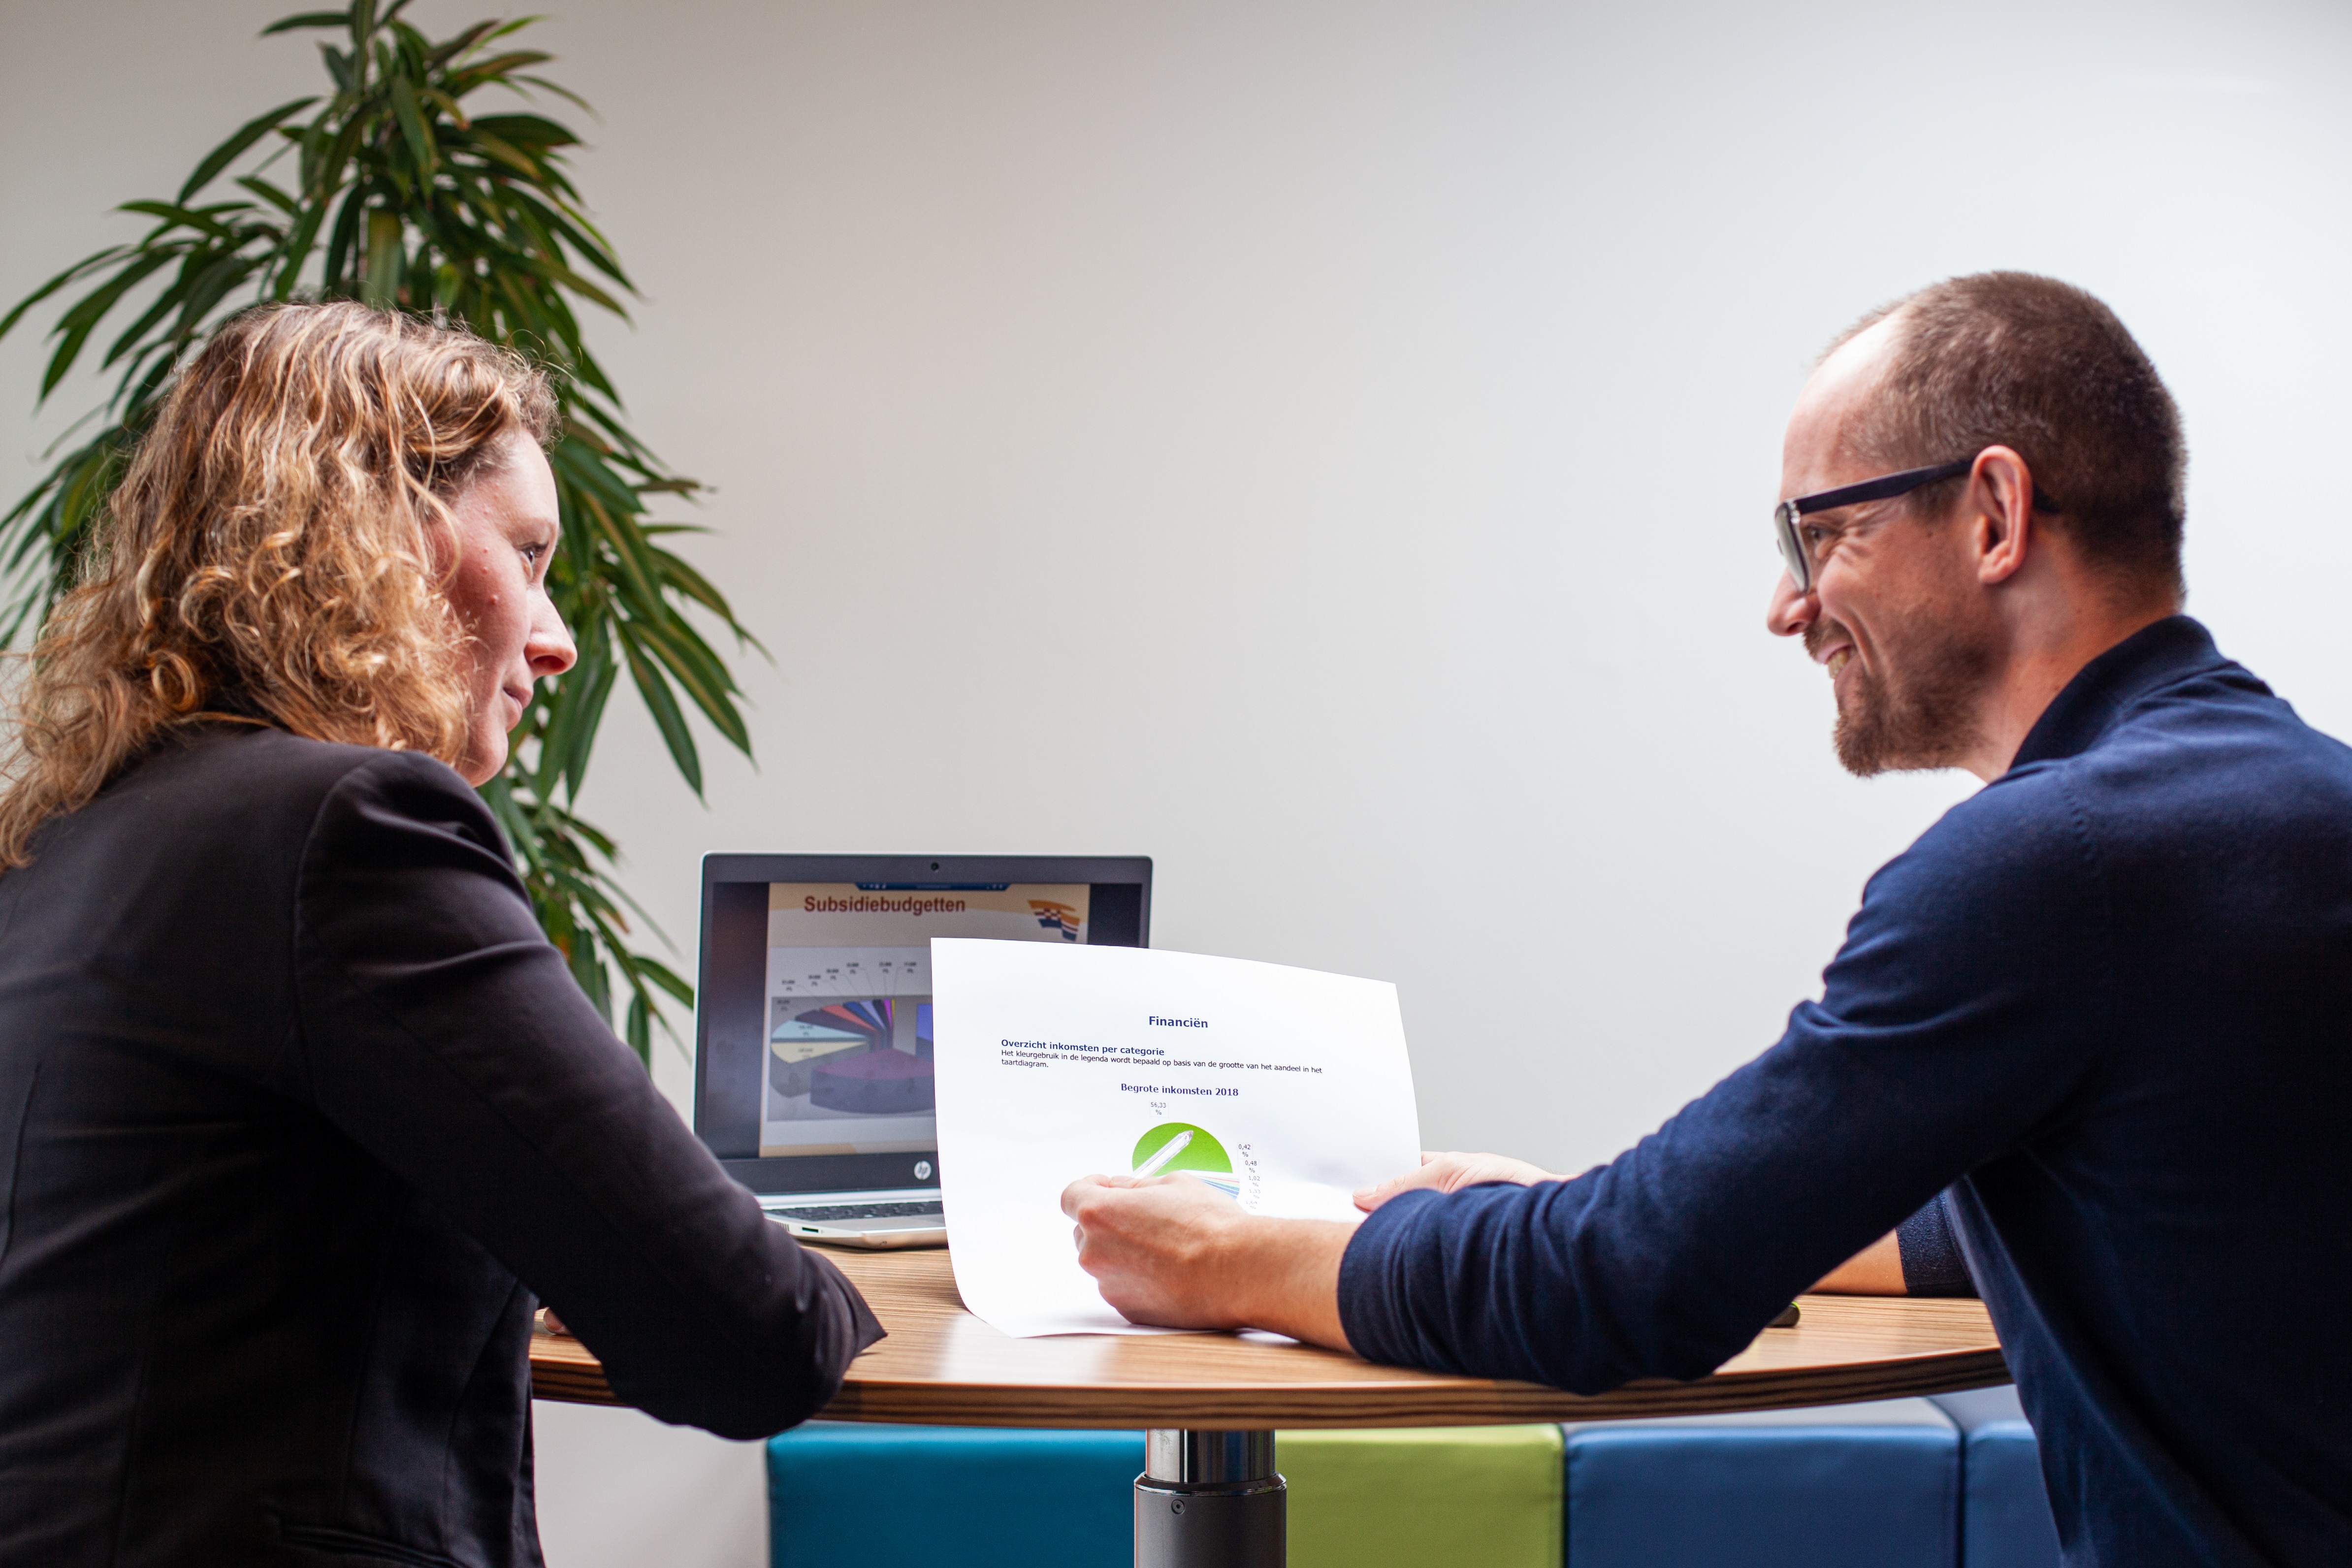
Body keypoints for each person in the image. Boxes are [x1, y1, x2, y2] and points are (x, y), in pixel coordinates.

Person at [1063, 272, 2352, 1566]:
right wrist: (1590, 1200)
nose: (1787, 607)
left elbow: (1624, 1290)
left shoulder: (2052, 864)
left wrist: (1228, 1259)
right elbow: (2109, 1211)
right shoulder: (2300, 803)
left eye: (1819, 536)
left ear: (1993, 515)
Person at [0, 302, 880, 1567]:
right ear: (379, 543)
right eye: (527, 553)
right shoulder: (347, 827)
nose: (557, 639)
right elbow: (754, 1341)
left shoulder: (70, 839)